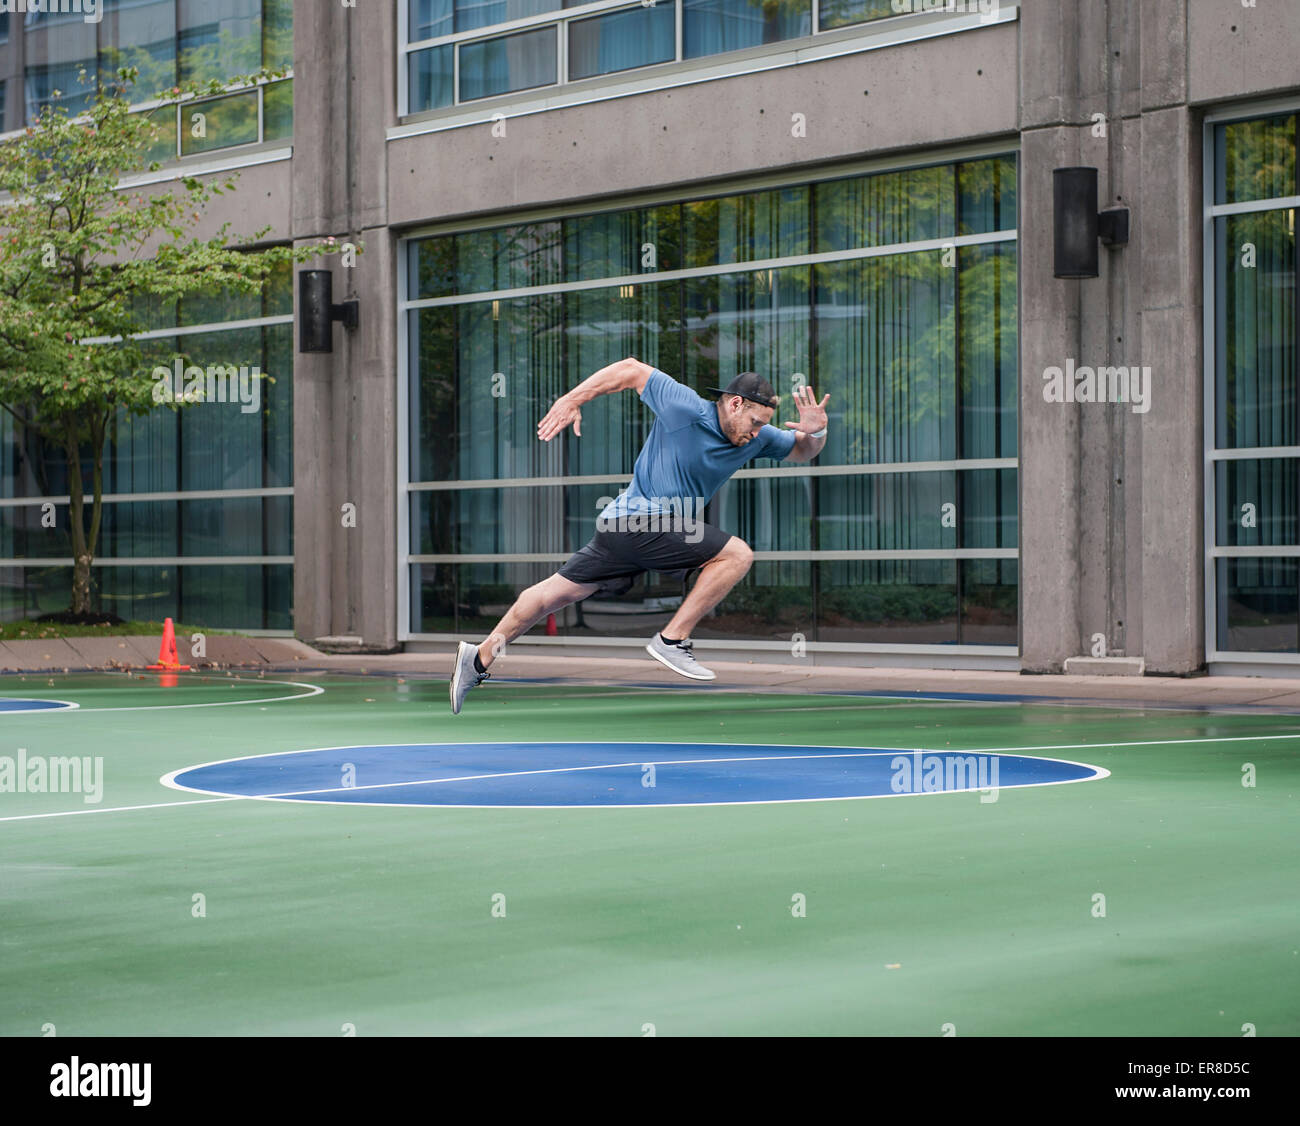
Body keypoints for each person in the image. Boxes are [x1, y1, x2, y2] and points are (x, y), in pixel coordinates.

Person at [450, 357, 829, 714]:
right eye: (755, 421)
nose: (758, 431)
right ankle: (671, 640)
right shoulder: (686, 407)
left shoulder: (757, 438)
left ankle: (478, 658)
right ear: (734, 404)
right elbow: (631, 370)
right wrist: (571, 399)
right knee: (737, 555)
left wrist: (817, 432)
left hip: (623, 530)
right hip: (640, 523)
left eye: (764, 425)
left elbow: (801, 450)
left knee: (551, 595)